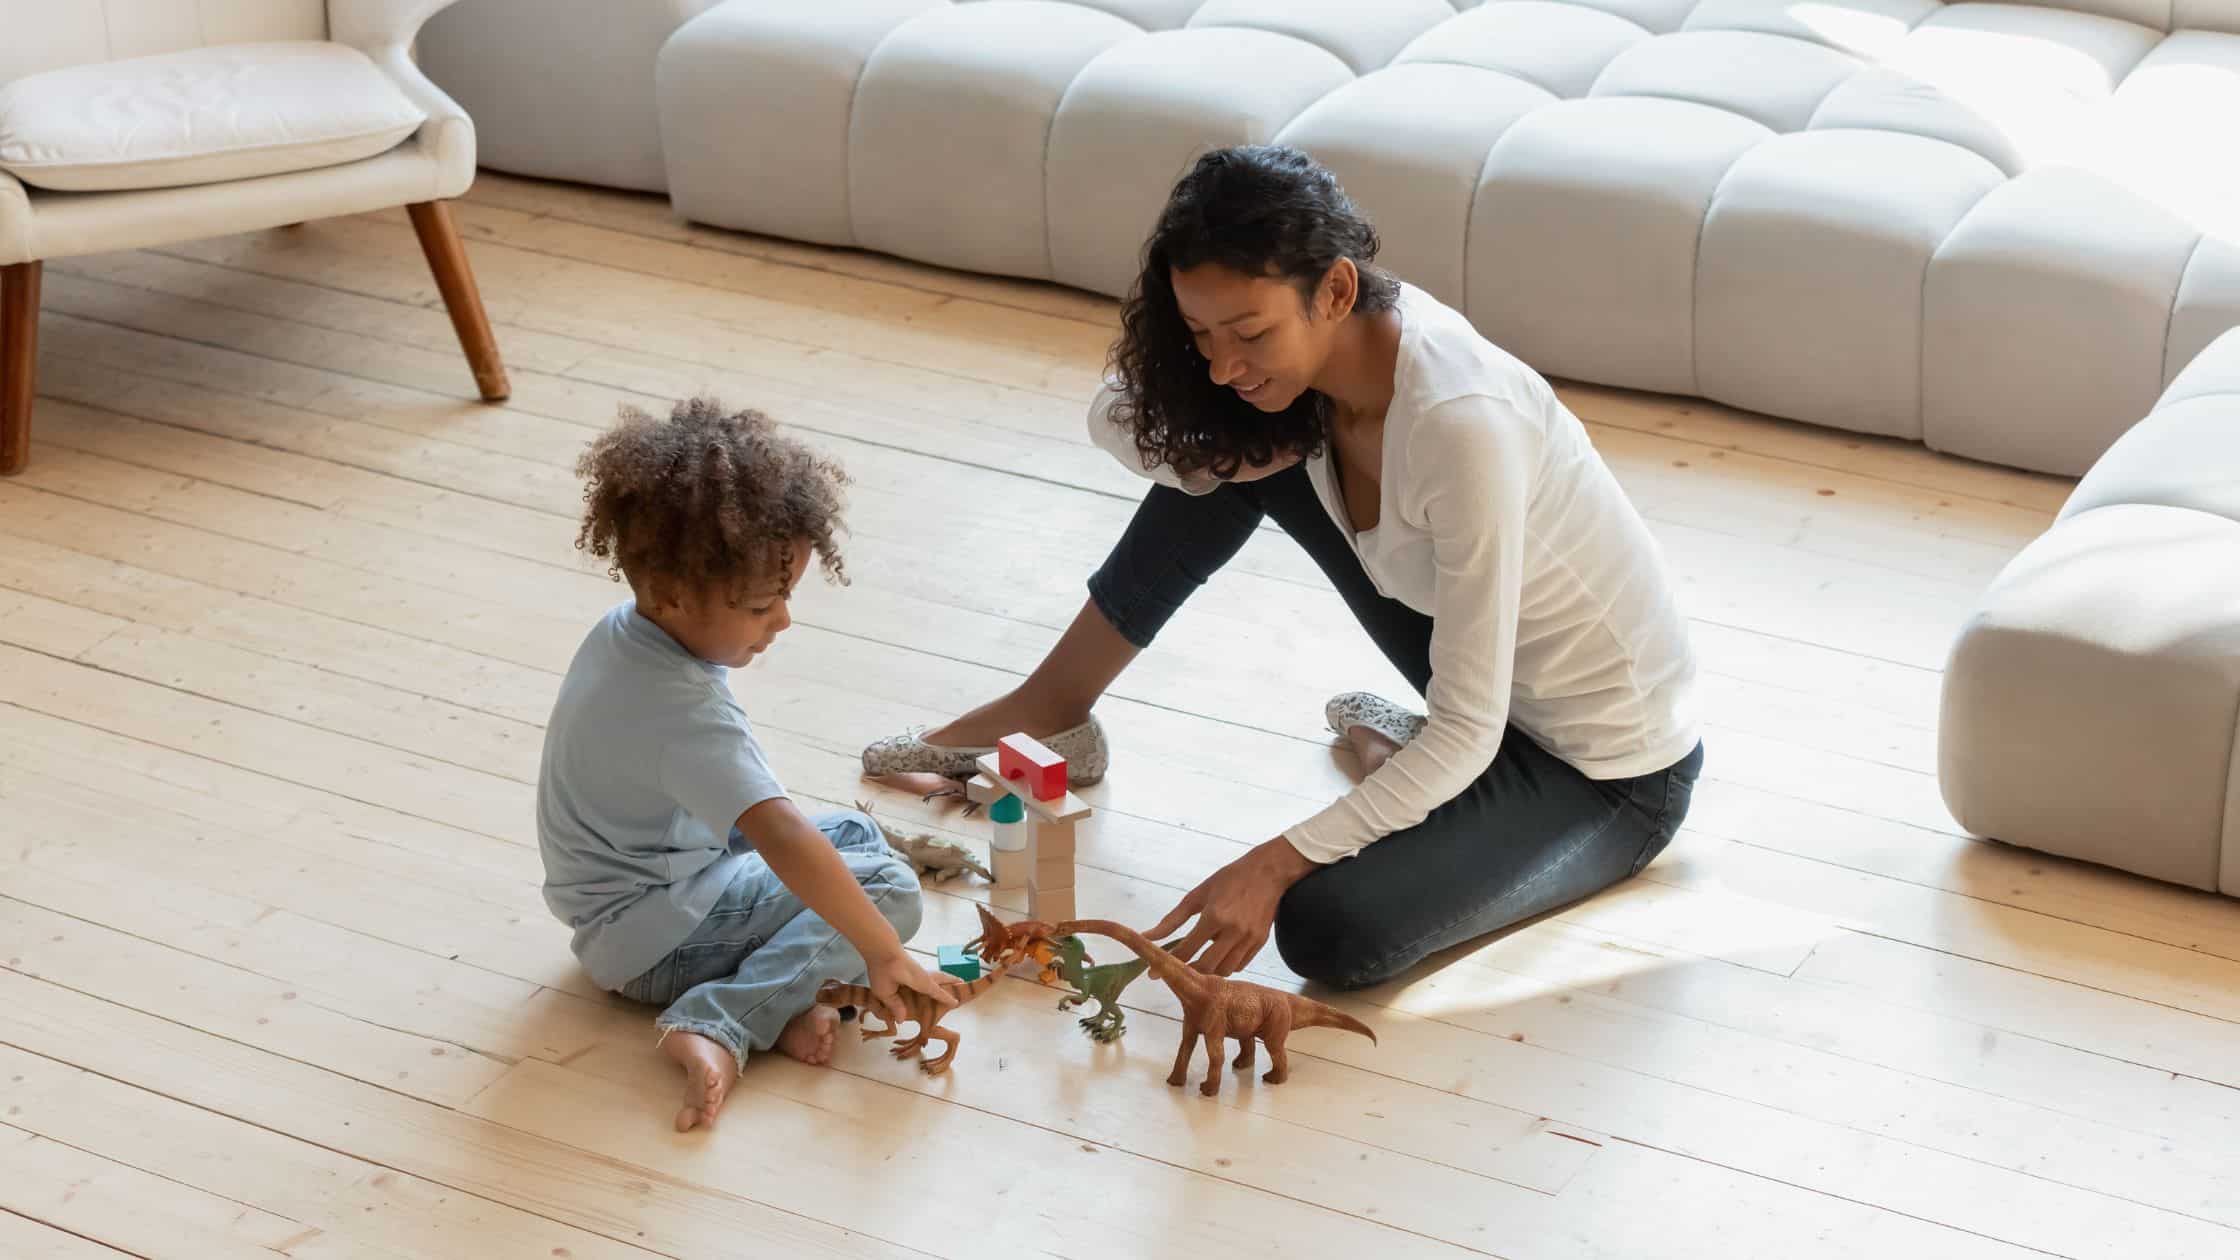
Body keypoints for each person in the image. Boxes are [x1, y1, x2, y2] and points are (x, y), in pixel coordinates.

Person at [863, 144, 1704, 990]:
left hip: (1608, 772)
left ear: (1335, 290)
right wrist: (1231, 407)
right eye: (1200, 334)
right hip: (1483, 683)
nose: (1224, 364)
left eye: (1252, 332)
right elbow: (1119, 415)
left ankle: (1426, 784)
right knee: (1235, 449)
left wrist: (1273, 863)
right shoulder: (1308, 370)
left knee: (1328, 931)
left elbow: (1467, 727)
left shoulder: (1459, 421)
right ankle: (1056, 710)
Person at [540, 398, 955, 1132]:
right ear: (673, 594)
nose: (783, 621)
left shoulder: (625, 633)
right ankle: (719, 1019)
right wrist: (885, 955)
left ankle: (785, 1004)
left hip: (645, 887)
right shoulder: (683, 712)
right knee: (887, 891)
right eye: (765, 605)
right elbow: (781, 833)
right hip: (652, 939)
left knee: (858, 842)